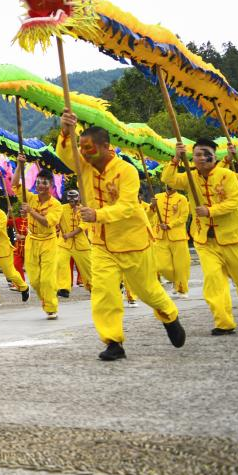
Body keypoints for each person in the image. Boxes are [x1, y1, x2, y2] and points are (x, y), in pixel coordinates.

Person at [58, 112, 185, 360]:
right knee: (104, 292)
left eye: (89, 148)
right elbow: (65, 155)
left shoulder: (126, 171)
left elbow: (127, 206)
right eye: (81, 148)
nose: (83, 152)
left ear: (107, 147)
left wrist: (97, 215)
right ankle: (113, 341)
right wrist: (65, 131)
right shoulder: (83, 166)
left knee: (147, 290)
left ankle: (169, 313)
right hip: (101, 244)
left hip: (133, 241)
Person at [161, 137, 238, 335]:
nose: (199, 158)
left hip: (234, 238)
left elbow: (233, 202)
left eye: (204, 154)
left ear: (213, 157)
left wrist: (210, 211)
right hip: (205, 240)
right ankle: (224, 322)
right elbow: (168, 179)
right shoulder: (189, 176)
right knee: (214, 281)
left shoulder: (226, 175)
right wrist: (175, 159)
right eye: (196, 154)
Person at [19, 166, 64, 320]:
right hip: (32, 240)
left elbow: (47, 223)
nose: (40, 185)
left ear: (51, 186)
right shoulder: (30, 198)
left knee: (47, 278)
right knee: (34, 280)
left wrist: (31, 211)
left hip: (49, 241)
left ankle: (51, 307)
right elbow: (14, 185)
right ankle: (45, 298)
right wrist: (19, 165)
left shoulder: (56, 205)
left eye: (44, 183)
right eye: (38, 182)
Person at [148, 185, 189, 298]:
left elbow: (184, 217)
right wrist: (152, 206)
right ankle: (175, 281)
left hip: (178, 237)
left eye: (172, 183)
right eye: (168, 182)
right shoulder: (157, 197)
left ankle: (182, 289)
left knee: (180, 265)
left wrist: (170, 225)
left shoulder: (182, 199)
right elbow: (148, 215)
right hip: (160, 236)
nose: (170, 185)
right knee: (162, 266)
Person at [57, 189, 94, 294]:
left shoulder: (84, 210)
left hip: (81, 244)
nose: (72, 199)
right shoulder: (61, 208)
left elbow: (83, 226)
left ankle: (93, 286)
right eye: (70, 196)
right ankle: (64, 287)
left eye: (74, 197)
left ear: (79, 198)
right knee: (60, 262)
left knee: (88, 268)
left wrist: (69, 234)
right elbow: (55, 217)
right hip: (64, 244)